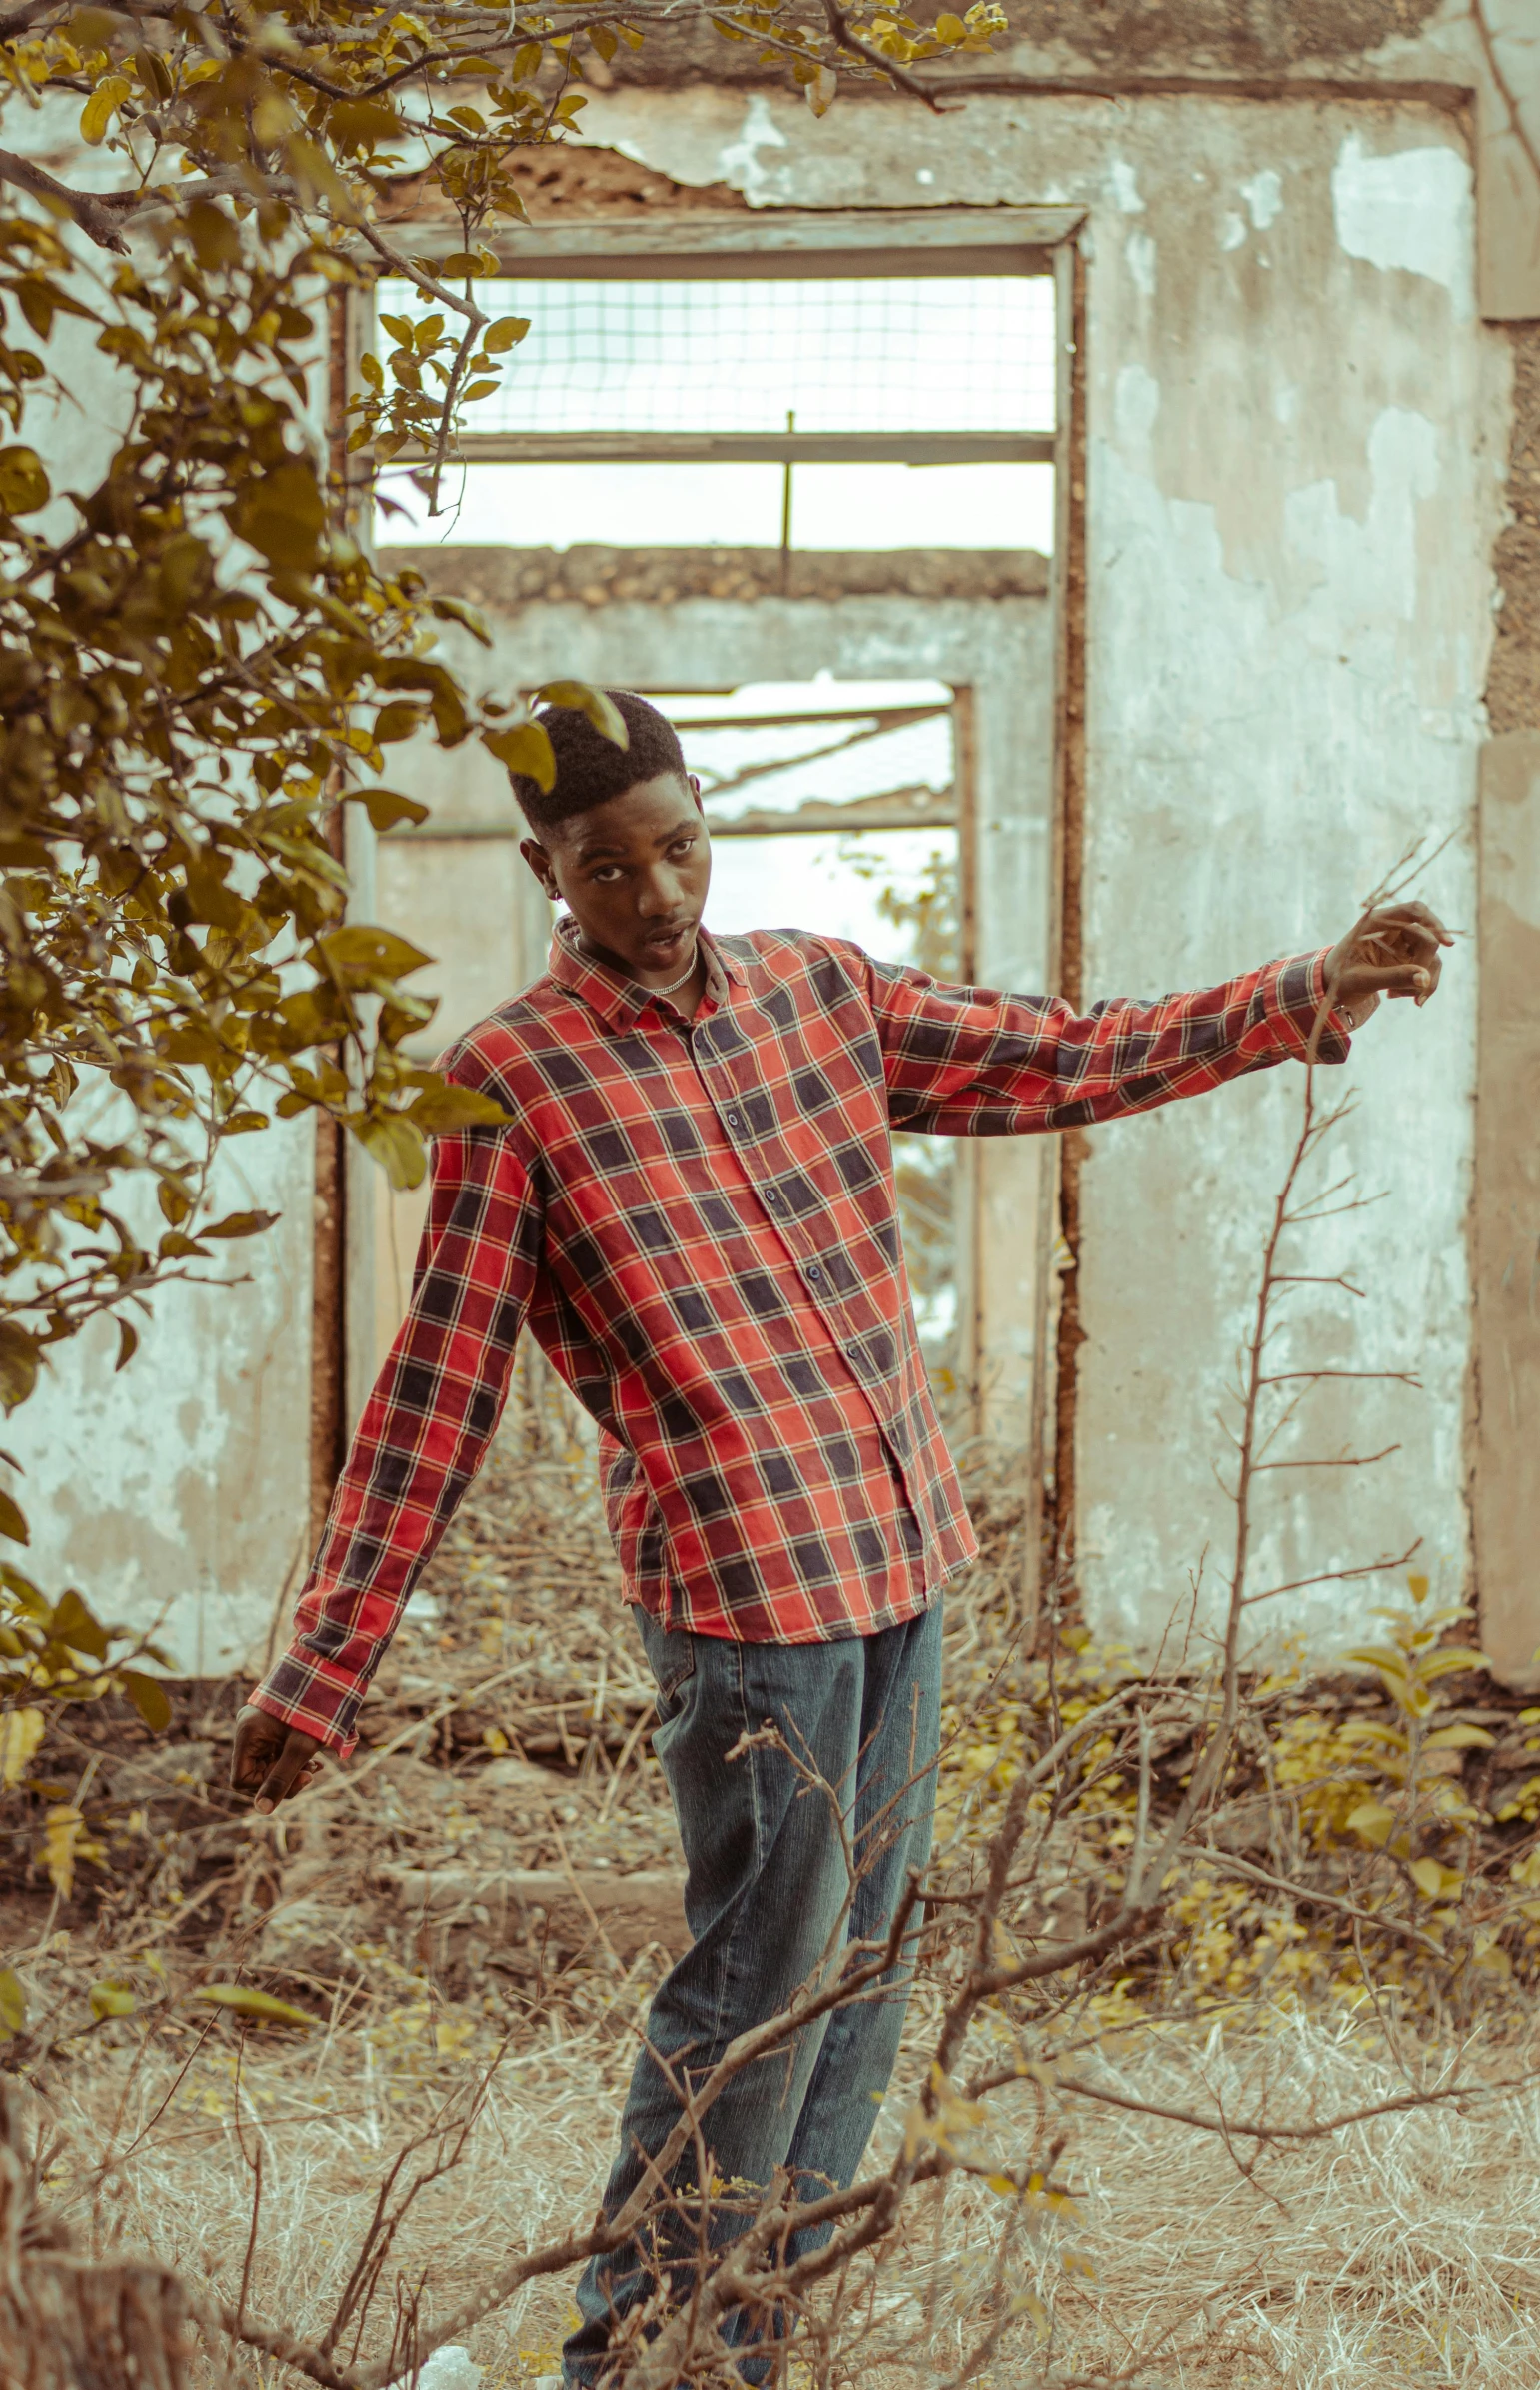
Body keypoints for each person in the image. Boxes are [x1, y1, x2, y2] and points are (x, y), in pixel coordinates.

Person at [230, 691, 1449, 2385]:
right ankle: (635, 2350)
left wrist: (1296, 995)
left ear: (703, 820)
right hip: (747, 1600)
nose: (656, 893)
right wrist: (324, 1664)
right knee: (752, 1981)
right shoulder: (507, 1080)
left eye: (680, 843)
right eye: (606, 866)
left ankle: (748, 2341)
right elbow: (438, 1389)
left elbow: (1058, 1055)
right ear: (542, 869)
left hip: (896, 1558)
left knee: (863, 1974)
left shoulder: (823, 990)